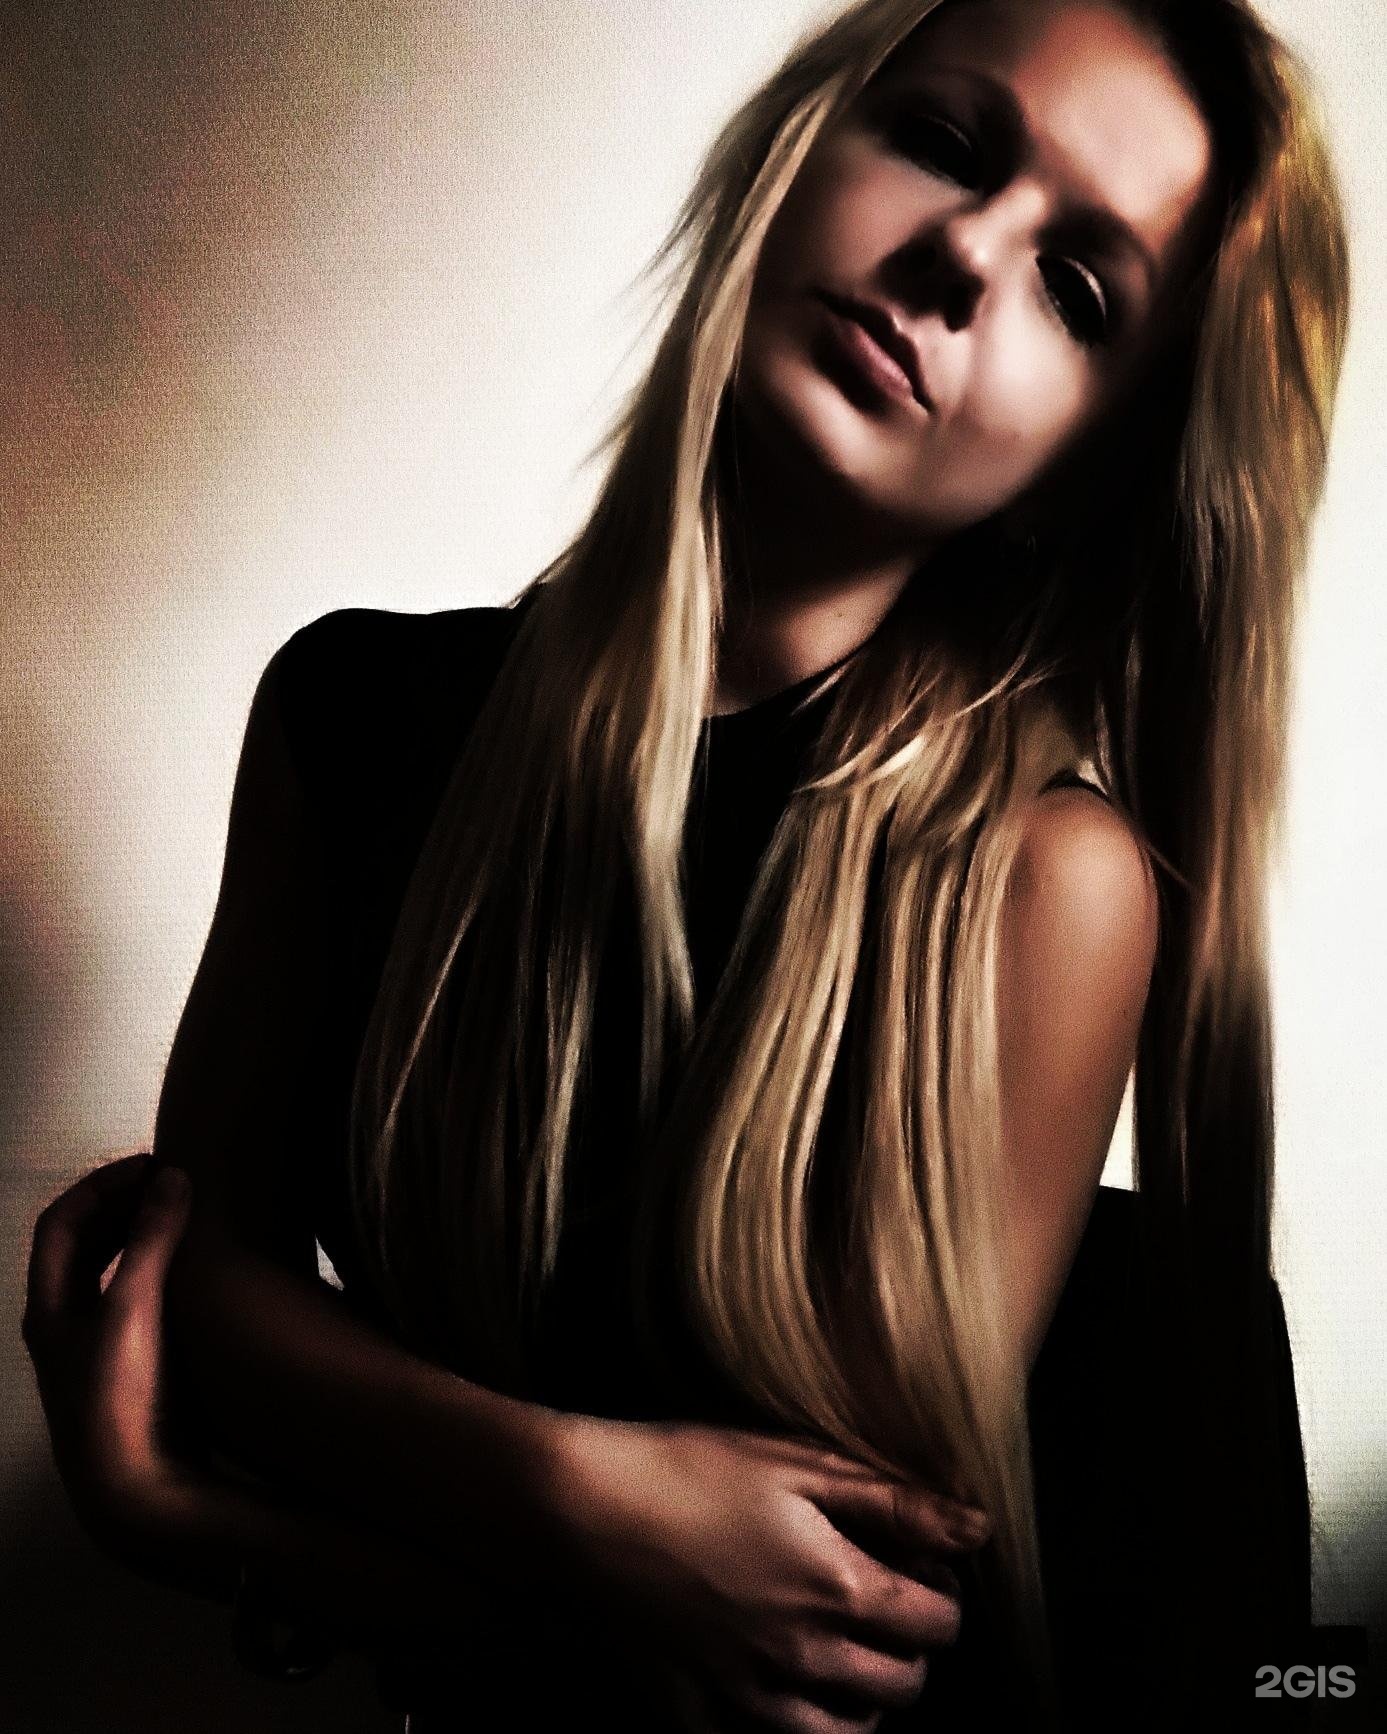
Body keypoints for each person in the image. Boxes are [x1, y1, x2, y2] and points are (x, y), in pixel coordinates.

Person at [21, 0, 1349, 1727]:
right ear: (797, 155)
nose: (964, 255)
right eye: (946, 142)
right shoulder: (346, 716)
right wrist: (582, 1502)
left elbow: (800, 1628)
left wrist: (201, 1521)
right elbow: (201, 1299)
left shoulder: (1046, 885)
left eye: (1078, 290)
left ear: (1076, 476)